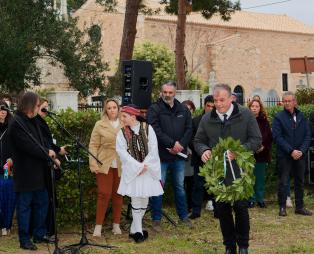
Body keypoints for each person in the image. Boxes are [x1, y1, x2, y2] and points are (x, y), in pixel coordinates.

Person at [194, 84, 262, 254]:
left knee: (241, 208)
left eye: (222, 100)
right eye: (215, 100)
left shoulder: (245, 114)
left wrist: (239, 152)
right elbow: (198, 141)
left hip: (240, 172)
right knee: (222, 211)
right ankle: (229, 246)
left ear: (231, 98)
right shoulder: (207, 119)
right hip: (218, 174)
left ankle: (243, 246)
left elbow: (256, 140)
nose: (218, 104)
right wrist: (204, 150)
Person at [8, 92, 57, 251]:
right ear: (29, 105)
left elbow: (41, 141)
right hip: (25, 174)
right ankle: (24, 239)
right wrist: (46, 152)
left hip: (38, 172)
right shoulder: (16, 122)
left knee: (42, 203)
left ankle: (39, 234)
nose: (39, 108)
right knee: (24, 207)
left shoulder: (34, 120)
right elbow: (28, 146)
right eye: (37, 105)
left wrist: (50, 153)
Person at [147, 81, 193, 232]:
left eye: (170, 92)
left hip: (178, 156)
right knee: (158, 188)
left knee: (180, 187)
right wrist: (172, 143)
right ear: (161, 92)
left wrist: (181, 145)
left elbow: (189, 128)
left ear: (175, 93)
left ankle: (184, 216)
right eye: (165, 92)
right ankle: (156, 220)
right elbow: (154, 129)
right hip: (161, 157)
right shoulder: (155, 108)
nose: (167, 95)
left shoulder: (183, 109)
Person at [116, 105, 163, 243]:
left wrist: (145, 165)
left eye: (124, 116)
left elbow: (154, 149)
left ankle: (134, 228)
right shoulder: (122, 133)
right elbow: (122, 152)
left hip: (147, 170)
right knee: (136, 199)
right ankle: (138, 231)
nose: (122, 119)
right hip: (133, 171)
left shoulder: (148, 129)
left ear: (133, 116)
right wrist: (137, 167)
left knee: (145, 199)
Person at [272, 91, 312, 217]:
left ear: (295, 102)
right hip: (285, 155)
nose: (287, 103)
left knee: (300, 181)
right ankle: (282, 207)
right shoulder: (279, 117)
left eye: (289, 101)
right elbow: (277, 137)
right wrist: (291, 151)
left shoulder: (302, 116)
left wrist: (301, 150)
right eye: (285, 101)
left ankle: (299, 207)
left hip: (300, 155)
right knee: (284, 181)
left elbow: (307, 135)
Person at [89, 99, 124, 237]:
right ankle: (98, 226)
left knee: (118, 195)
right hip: (104, 163)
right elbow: (93, 145)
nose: (112, 110)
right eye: (109, 108)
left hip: (121, 164)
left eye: (114, 107)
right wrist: (93, 163)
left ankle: (116, 225)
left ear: (118, 108)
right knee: (104, 194)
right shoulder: (99, 124)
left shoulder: (124, 123)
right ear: (105, 110)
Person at [36, 98, 66, 237]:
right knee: (47, 197)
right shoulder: (36, 122)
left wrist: (58, 150)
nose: (46, 111)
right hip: (43, 164)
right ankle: (47, 229)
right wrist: (54, 158)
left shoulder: (41, 122)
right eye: (43, 108)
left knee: (50, 197)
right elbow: (42, 144)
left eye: (47, 108)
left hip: (47, 161)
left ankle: (49, 228)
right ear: (36, 108)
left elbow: (47, 142)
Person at [189, 95, 216, 219]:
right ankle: (196, 211)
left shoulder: (219, 121)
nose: (210, 108)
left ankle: (218, 210)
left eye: (212, 106)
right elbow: (192, 140)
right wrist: (202, 151)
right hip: (199, 158)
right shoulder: (195, 121)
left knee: (215, 185)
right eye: (208, 106)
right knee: (198, 185)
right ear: (204, 106)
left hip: (215, 159)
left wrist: (213, 152)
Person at [248, 99, 272, 208]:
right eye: (252, 106)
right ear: (249, 107)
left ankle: (260, 199)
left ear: (260, 108)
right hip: (249, 154)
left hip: (262, 153)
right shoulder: (246, 120)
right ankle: (251, 198)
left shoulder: (264, 121)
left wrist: (263, 146)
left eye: (256, 106)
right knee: (250, 177)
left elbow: (268, 137)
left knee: (260, 178)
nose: (254, 108)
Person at [0, 101, 16, 236]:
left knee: (8, 196)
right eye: (0, 109)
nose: (3, 111)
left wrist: (12, 159)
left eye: (5, 109)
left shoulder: (12, 127)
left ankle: (6, 225)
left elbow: (18, 146)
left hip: (6, 167)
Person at [181, 100, 196, 211]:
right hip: (180, 155)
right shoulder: (178, 122)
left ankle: (190, 204)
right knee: (181, 182)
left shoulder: (194, 122)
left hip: (191, 156)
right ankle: (182, 204)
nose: (188, 111)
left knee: (190, 181)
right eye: (185, 108)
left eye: (190, 109)